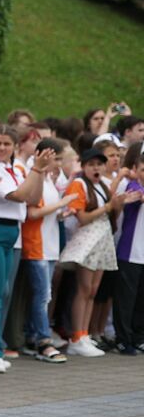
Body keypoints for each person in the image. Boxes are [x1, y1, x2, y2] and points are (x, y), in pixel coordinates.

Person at [0, 126, 51, 372]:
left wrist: (37, 172)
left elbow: (33, 196)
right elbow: (16, 196)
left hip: (11, 231)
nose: (1, 148)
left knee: (2, 292)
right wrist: (37, 170)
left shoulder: (14, 168)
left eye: (7, 144)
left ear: (14, 147)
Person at [61, 147, 126, 357]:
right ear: (84, 166)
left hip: (102, 238)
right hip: (87, 239)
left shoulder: (103, 186)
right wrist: (108, 207)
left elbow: (112, 211)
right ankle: (76, 336)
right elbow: (83, 217)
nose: (96, 168)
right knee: (84, 288)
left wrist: (117, 205)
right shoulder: (80, 184)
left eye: (99, 164)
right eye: (91, 164)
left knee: (93, 290)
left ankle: (85, 333)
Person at [22, 138, 72, 363]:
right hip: (37, 245)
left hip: (49, 244)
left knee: (45, 294)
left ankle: (34, 337)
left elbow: (47, 211)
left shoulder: (50, 180)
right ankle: (43, 341)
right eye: (56, 158)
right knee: (42, 295)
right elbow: (32, 213)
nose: (58, 164)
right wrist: (62, 205)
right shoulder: (36, 178)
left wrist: (62, 212)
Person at [112, 142, 144, 355]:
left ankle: (138, 336)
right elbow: (134, 197)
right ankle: (123, 338)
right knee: (126, 298)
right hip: (130, 251)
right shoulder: (133, 187)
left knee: (141, 299)